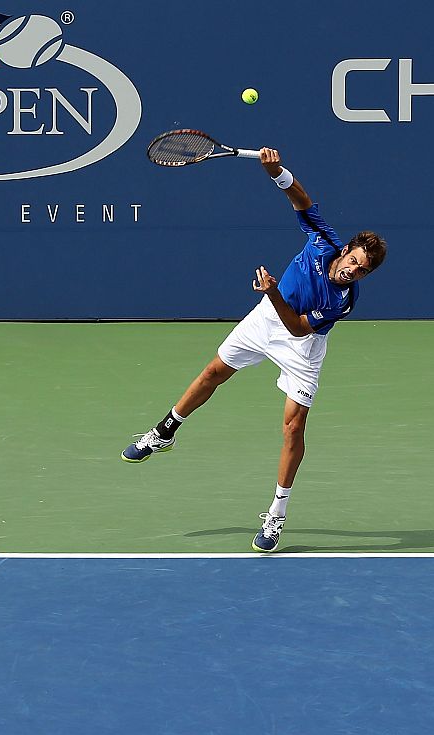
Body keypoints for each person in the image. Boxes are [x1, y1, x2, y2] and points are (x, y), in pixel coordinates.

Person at [122, 147, 386, 553]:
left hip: (302, 346)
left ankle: (277, 514)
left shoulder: (342, 302)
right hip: (266, 318)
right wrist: (277, 172)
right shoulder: (323, 240)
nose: (354, 269)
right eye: (354, 260)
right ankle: (164, 431)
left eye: (363, 270)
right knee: (214, 372)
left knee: (293, 427)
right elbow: (301, 200)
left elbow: (298, 329)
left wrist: (274, 291)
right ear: (346, 250)